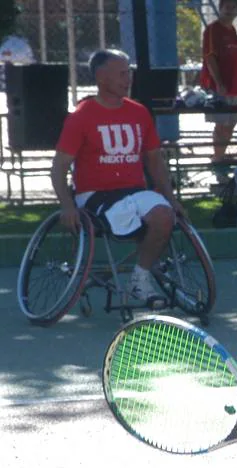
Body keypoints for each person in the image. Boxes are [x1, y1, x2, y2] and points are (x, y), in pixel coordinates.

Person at [51, 49, 183, 308]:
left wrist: (171, 198)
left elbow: (155, 160)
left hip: (133, 190)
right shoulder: (81, 116)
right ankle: (143, 272)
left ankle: (140, 279)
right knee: (138, 215)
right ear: (102, 77)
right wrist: (67, 205)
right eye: (122, 74)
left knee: (164, 215)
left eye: (129, 73)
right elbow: (59, 167)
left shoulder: (139, 112)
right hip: (96, 195)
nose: (128, 79)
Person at [200, 0, 237, 165]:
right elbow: (210, 57)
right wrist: (218, 82)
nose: (230, 11)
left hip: (234, 85)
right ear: (220, 9)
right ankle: (217, 158)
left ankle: (222, 155)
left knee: (231, 123)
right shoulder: (213, 30)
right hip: (219, 85)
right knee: (221, 124)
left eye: (234, 8)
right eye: (227, 7)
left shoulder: (233, 30)